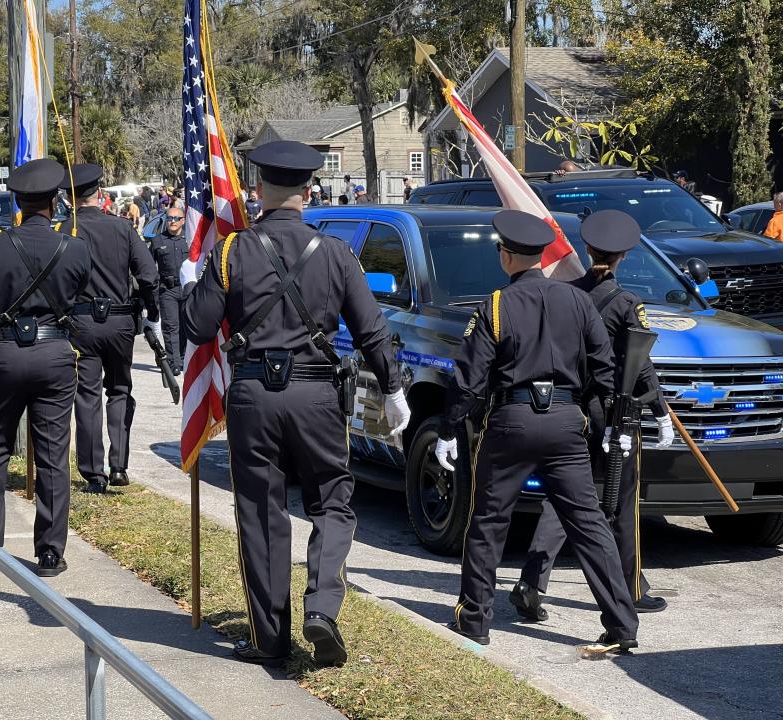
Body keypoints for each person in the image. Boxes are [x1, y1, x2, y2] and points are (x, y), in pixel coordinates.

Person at [183, 140, 411, 668]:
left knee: (261, 512)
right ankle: (323, 607)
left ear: (259, 191)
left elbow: (197, 326)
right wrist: (395, 390)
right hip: (315, 393)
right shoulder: (335, 254)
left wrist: (189, 285)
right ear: (307, 193)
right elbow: (372, 331)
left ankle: (271, 639)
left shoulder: (231, 251)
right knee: (332, 499)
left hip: (253, 395)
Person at [435, 209, 639, 651]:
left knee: (488, 520)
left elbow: (468, 378)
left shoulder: (495, 304)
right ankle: (622, 623)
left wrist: (449, 429)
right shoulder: (580, 301)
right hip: (567, 422)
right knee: (588, 524)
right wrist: (606, 425)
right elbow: (604, 371)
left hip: (510, 421)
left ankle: (475, 619)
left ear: (505, 256)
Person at [508, 210, 673, 624]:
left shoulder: (568, 294)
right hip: (613, 412)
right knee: (624, 497)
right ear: (623, 257)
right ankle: (631, 587)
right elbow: (640, 364)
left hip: (570, 409)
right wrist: (660, 410)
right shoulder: (625, 302)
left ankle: (532, 580)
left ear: (587, 249)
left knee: (562, 497)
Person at [0, 158, 90, 577]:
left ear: (17, 201)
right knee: (52, 455)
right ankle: (50, 551)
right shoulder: (74, 246)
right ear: (55, 202)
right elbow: (78, 297)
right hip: (54, 357)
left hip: (4, 355)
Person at [56, 163, 161, 494]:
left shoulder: (63, 229)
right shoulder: (123, 228)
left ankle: (93, 473)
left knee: (86, 396)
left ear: (69, 199)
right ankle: (119, 465)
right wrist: (152, 312)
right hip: (119, 322)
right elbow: (148, 275)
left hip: (81, 322)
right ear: (99, 194)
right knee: (119, 389)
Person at [150, 206, 188, 374]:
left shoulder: (190, 239)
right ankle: (173, 362)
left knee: (186, 326)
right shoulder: (157, 241)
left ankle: (184, 358)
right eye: (170, 218)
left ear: (183, 221)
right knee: (171, 326)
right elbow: (149, 267)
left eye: (176, 218)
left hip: (188, 289)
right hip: (168, 289)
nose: (172, 221)